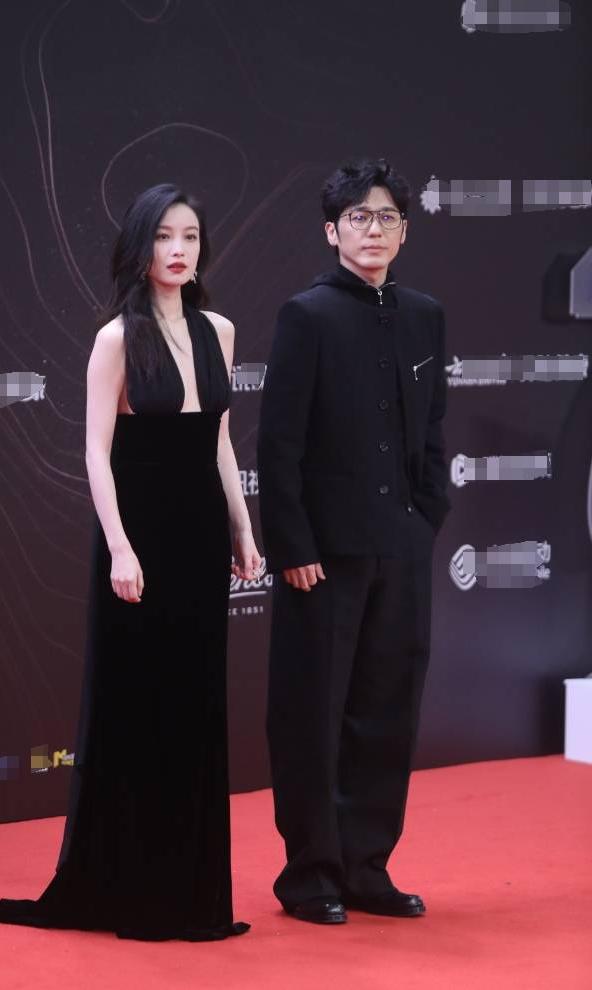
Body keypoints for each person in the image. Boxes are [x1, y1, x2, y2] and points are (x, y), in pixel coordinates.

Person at [0, 183, 260, 941]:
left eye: (190, 236)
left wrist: (242, 528)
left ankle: (190, 897)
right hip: (140, 536)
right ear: (139, 246)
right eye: (164, 235)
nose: (178, 249)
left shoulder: (220, 331)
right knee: (138, 704)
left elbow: (220, 441)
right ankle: (131, 892)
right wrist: (122, 547)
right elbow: (95, 454)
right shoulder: (116, 339)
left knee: (193, 705)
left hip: (200, 536)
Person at [257, 159, 450, 925]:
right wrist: (292, 545)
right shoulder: (305, 315)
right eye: (358, 218)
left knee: (386, 711)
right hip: (322, 556)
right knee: (312, 715)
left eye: (386, 217)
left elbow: (432, 427)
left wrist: (427, 515)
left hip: (401, 547)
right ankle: (310, 874)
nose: (373, 230)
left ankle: (367, 867)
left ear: (405, 230)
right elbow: (277, 445)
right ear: (331, 231)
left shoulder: (425, 314)